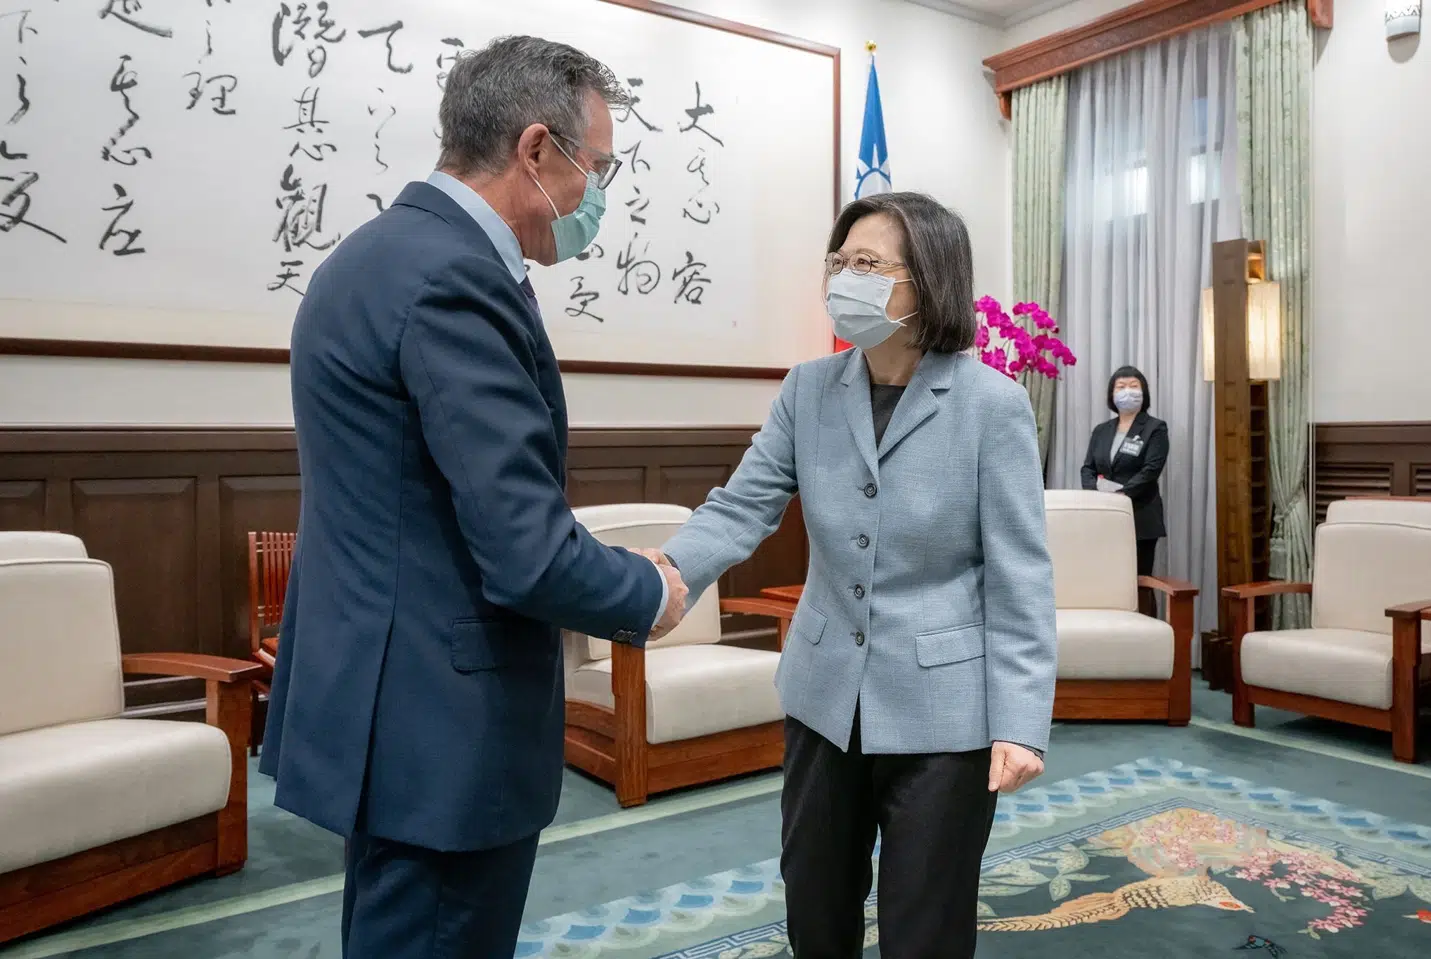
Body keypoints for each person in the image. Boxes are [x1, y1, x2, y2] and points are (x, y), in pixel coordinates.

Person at [259, 37, 689, 959]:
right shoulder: (454, 276)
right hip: (441, 718)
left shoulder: (376, 254)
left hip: (387, 694)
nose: (595, 200)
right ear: (537, 151)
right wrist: (648, 591)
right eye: (596, 169)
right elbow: (523, 545)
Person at [649, 192, 1057, 958]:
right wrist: (671, 571)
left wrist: (1021, 718)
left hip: (945, 713)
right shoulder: (808, 389)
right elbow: (743, 503)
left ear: (927, 280)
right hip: (824, 695)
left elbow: (1019, 574)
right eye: (838, 262)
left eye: (867, 263)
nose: (845, 278)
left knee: (924, 923)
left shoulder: (991, 405)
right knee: (816, 901)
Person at [1081, 366, 1170, 616]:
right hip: (1105, 516)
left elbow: (1151, 469)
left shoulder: (1155, 428)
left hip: (1140, 516)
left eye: (1133, 386)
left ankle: (1147, 637)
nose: (1127, 392)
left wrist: (1121, 496)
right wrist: (1095, 496)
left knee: (1139, 582)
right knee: (1108, 581)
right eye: (1120, 387)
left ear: (1144, 392)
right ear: (1111, 394)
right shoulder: (1102, 430)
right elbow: (1087, 468)